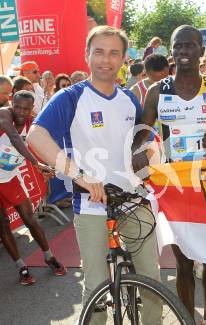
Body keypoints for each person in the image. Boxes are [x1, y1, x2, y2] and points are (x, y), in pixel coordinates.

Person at [27, 25, 161, 324]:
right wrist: (79, 176)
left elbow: (141, 144)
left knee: (152, 279)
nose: (106, 59)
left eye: (114, 53)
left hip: (133, 199)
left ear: (124, 58)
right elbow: (36, 136)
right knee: (97, 286)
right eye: (99, 51)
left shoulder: (129, 100)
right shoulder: (70, 97)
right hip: (91, 205)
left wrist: (152, 155)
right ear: (87, 55)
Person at [141, 25, 206, 324]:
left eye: (190, 45)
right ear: (170, 50)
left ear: (201, 51)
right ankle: (187, 318)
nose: (183, 51)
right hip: (176, 187)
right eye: (177, 46)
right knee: (183, 261)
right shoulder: (157, 92)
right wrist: (143, 169)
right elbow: (140, 138)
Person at [0, 90, 66, 285]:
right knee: (3, 225)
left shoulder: (33, 123)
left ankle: (49, 257)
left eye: (26, 109)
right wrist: (36, 164)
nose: (21, 111)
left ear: (32, 109)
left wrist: (48, 165)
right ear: (12, 102)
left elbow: (45, 142)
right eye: (18, 106)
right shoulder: (4, 113)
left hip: (9, 178)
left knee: (30, 218)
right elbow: (13, 137)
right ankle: (22, 267)